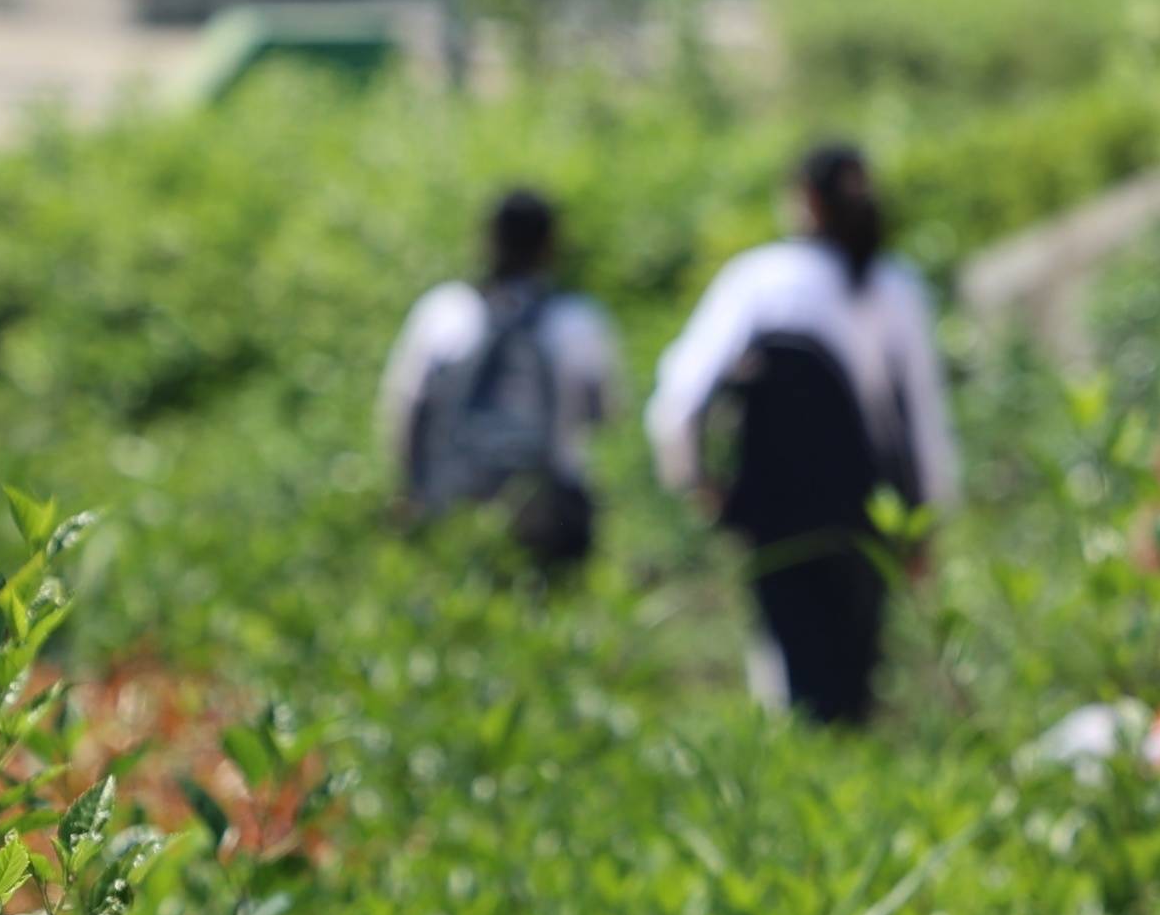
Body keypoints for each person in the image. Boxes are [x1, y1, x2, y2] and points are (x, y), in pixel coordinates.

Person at [647, 142, 956, 727]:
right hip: (867, 511)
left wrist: (697, 484)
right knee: (855, 676)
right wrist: (927, 524)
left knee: (787, 669)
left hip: (774, 509)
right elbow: (922, 421)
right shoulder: (895, 287)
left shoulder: (759, 280)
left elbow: (678, 401)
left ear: (804, 202)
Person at [381, 185, 619, 575]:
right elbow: (605, 414)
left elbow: (404, 410)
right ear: (551, 245)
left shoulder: (443, 312)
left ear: (485, 241)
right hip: (551, 508)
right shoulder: (578, 320)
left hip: (456, 501)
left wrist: (409, 491)